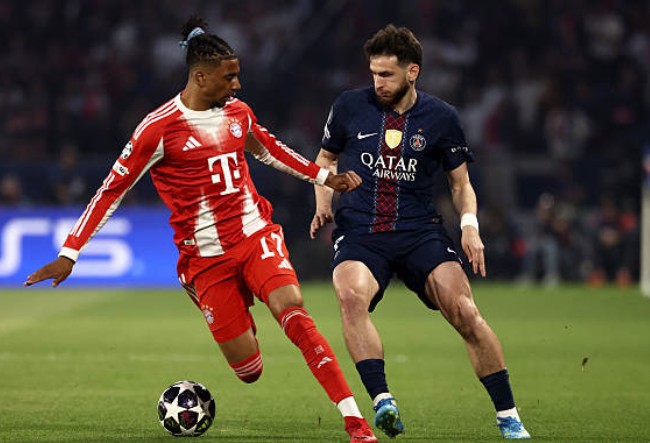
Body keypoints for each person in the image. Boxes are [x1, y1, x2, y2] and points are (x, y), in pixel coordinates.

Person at [24, 16, 378, 443]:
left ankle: (355, 422)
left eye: (238, 75)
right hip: (206, 258)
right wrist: (70, 253)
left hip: (253, 234)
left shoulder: (238, 114)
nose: (237, 85)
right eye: (230, 77)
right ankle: (212, 293)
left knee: (294, 312)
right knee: (249, 370)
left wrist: (325, 178)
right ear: (200, 76)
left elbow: (271, 151)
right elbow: (110, 191)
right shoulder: (157, 129)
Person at [310, 24, 530, 439]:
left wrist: (469, 227)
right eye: (374, 73)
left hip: (419, 232)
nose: (378, 82)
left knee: (465, 312)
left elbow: (460, 184)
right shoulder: (349, 106)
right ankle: (383, 401)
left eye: (387, 74)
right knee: (350, 297)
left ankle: (509, 416)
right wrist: (323, 202)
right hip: (362, 231)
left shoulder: (442, 117)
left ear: (413, 72)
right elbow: (326, 159)